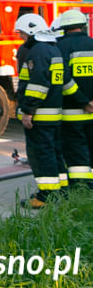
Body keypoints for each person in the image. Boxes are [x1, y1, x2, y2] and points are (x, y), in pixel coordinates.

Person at [14, 13, 65, 207]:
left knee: (41, 155)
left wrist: (28, 110)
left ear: (31, 31)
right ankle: (61, 192)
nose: (21, 37)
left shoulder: (38, 52)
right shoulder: (53, 49)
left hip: (40, 115)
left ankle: (45, 197)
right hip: (54, 114)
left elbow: (38, 84)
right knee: (54, 154)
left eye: (22, 33)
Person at [55, 10, 93, 188]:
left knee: (75, 152)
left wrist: (83, 100)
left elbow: (62, 78)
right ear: (83, 25)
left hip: (71, 112)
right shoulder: (92, 44)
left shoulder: (61, 47)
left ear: (64, 28)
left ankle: (80, 187)